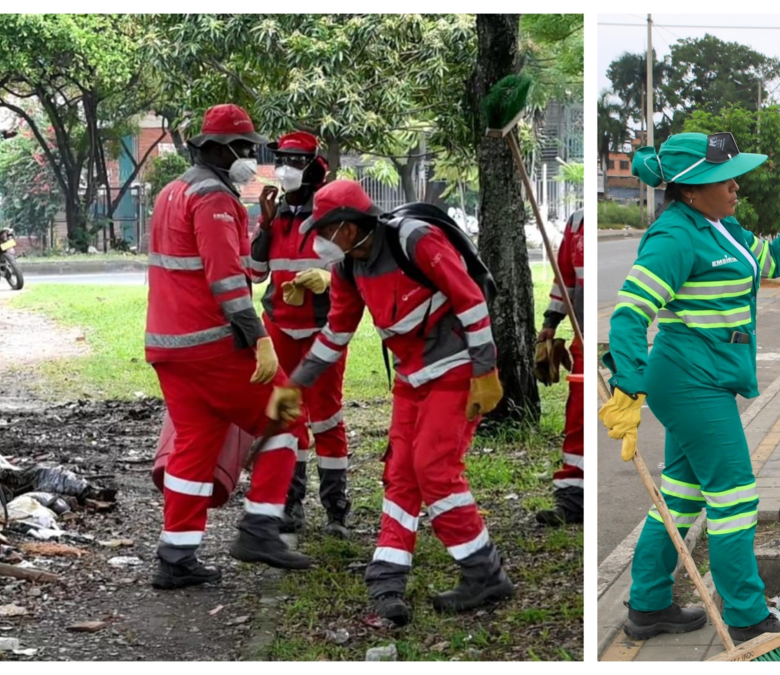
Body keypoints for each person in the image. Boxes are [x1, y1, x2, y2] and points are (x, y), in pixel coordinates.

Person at [600, 132, 780, 650]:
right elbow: (629, 313)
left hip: (713, 375)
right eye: (725, 177)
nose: (736, 185)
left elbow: (773, 261)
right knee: (735, 497)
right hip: (690, 380)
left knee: (680, 497)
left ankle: (648, 606)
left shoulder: (722, 227)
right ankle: (747, 618)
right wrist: (627, 382)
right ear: (692, 188)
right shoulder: (674, 236)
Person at [269, 180, 512, 627]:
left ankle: (484, 572)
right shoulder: (348, 268)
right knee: (400, 474)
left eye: (324, 230)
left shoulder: (415, 240)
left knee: (435, 470)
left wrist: (485, 372)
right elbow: (336, 334)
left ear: (345, 227)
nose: (319, 241)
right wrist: (296, 384)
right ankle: (387, 576)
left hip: (456, 367)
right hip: (411, 376)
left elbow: (471, 300)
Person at [146, 104, 313, 590]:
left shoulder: (172, 191)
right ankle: (259, 528)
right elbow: (226, 282)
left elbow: (228, 267)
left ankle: (176, 557)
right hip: (214, 344)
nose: (249, 158)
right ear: (217, 149)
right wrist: (260, 341)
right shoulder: (215, 198)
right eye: (243, 149)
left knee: (195, 446)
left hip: (169, 348)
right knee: (287, 416)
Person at [248, 131, 352, 538]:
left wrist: (329, 278)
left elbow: (354, 269)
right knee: (288, 416)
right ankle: (291, 505)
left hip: (324, 329)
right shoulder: (274, 216)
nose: (285, 169)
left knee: (327, 417)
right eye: (281, 160)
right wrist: (265, 224)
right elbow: (255, 274)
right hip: (280, 327)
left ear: (314, 168)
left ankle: (335, 509)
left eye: (294, 161)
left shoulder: (331, 214)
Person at [535, 209, 585, 526]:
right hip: (581, 340)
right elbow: (564, 279)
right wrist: (551, 322)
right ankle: (571, 501)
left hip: (594, 336)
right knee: (576, 419)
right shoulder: (577, 223)